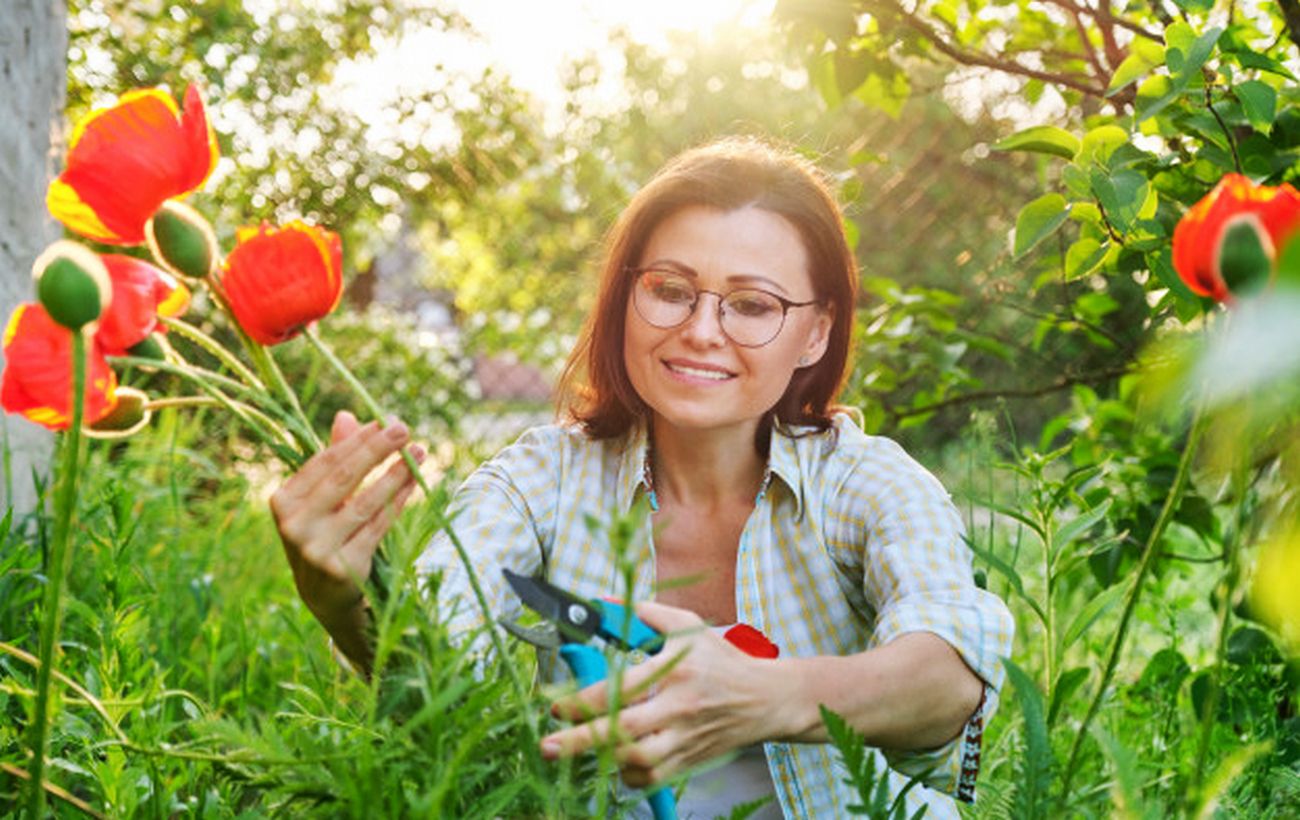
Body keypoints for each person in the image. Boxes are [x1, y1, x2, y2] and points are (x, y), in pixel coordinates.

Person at [271, 137, 1014, 818]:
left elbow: (947, 677)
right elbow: (439, 663)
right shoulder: (539, 480)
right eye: (669, 288)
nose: (699, 329)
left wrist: (766, 697)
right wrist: (343, 603)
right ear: (628, 296)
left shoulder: (866, 480)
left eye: (753, 304)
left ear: (817, 332)